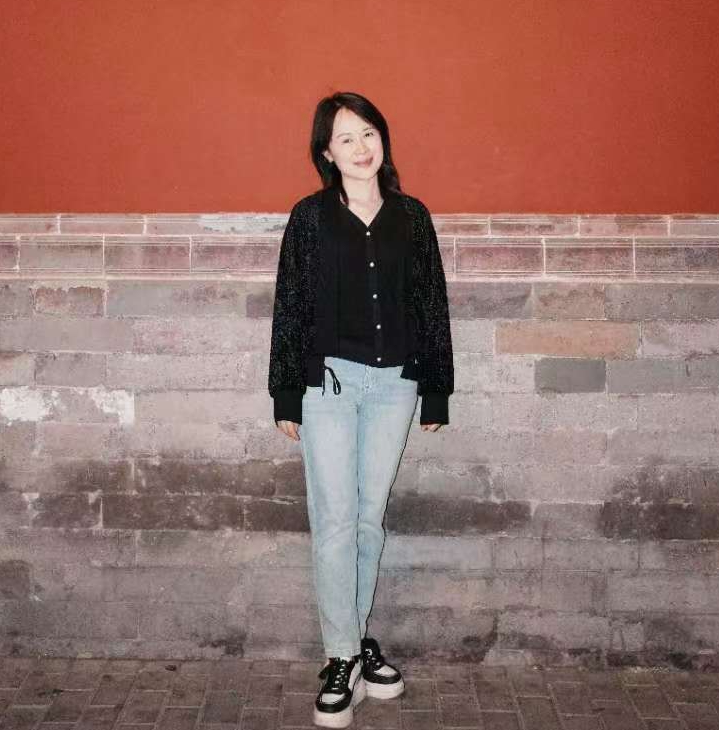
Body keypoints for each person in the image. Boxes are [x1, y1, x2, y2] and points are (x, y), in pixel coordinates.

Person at [268, 91, 454, 728]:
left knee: (370, 520)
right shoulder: (310, 218)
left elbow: (431, 302)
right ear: (326, 152)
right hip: (328, 385)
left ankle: (353, 642)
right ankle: (343, 655)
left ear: (383, 140)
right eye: (345, 137)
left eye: (368, 132)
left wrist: (436, 388)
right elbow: (291, 303)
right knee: (335, 521)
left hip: (395, 386)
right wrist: (286, 392)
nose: (360, 147)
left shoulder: (412, 217)